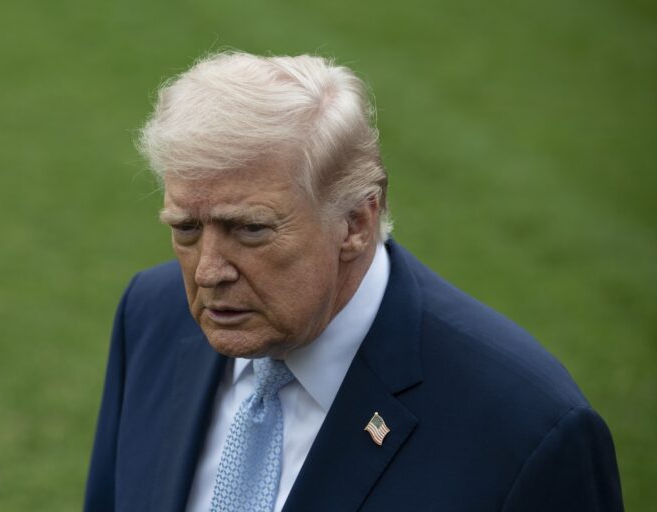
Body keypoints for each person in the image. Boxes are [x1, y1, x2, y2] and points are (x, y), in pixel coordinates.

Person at [84, 52, 623, 512]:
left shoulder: (529, 430)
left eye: (250, 229)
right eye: (186, 229)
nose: (208, 272)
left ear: (356, 223)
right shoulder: (150, 317)